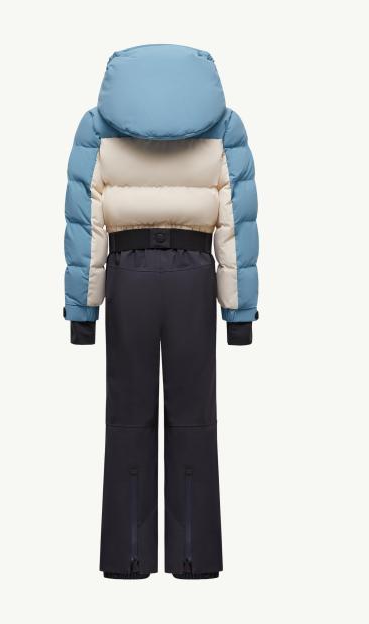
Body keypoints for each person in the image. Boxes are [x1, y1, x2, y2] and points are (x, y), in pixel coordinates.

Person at [63, 44, 259, 579]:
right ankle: (194, 558)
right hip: (194, 277)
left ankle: (127, 558)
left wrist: (83, 310)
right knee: (194, 417)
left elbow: (85, 222)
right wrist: (238, 312)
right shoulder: (226, 128)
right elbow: (236, 222)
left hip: (127, 276)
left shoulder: (96, 128)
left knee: (128, 415)